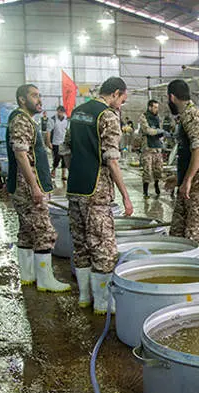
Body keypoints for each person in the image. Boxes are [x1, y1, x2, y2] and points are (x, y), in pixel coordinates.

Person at [65, 77, 133, 315]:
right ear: (115, 93)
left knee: (81, 244)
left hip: (74, 187)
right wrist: (125, 195)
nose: (121, 105)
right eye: (122, 100)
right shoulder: (107, 116)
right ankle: (103, 304)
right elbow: (112, 160)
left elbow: (66, 148)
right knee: (103, 248)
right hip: (96, 191)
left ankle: (85, 297)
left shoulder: (77, 112)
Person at [6, 84, 70, 293]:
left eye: (39, 95)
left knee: (26, 231)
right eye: (34, 96)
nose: (39, 99)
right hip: (28, 186)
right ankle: (45, 280)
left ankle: (27, 275)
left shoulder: (26, 120)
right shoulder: (21, 120)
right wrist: (35, 187)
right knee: (44, 231)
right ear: (22, 99)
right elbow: (21, 154)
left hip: (24, 185)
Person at [167, 79, 199, 259]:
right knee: (177, 233)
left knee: (197, 236)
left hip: (198, 187)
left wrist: (187, 180)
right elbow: (188, 152)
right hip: (187, 186)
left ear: (171, 97)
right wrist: (179, 178)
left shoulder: (192, 116)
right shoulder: (185, 116)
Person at [138, 99, 166, 198]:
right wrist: (159, 131)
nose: (156, 109)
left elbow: (161, 131)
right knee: (147, 171)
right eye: (154, 107)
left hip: (157, 147)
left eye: (157, 107)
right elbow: (147, 130)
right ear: (149, 107)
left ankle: (156, 185)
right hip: (148, 148)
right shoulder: (143, 117)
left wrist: (162, 135)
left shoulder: (158, 118)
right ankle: (145, 191)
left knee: (158, 170)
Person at [48, 106, 69, 183]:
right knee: (56, 158)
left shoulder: (66, 120)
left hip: (64, 143)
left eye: (62, 112)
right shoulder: (52, 119)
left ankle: (64, 175)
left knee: (64, 159)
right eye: (59, 112)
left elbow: (67, 130)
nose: (61, 113)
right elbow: (48, 132)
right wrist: (48, 142)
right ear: (57, 111)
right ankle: (53, 171)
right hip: (55, 142)